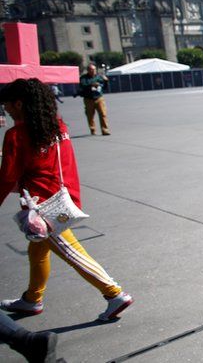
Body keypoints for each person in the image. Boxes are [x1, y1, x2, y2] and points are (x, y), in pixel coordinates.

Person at [0, 79, 132, 322]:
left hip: (41, 209)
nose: (5, 109)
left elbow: (7, 177)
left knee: (72, 252)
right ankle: (32, 299)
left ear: (18, 103)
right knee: (37, 250)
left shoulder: (17, 135)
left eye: (6, 104)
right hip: (63, 198)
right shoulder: (57, 127)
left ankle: (114, 293)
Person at [78, 64, 110, 135]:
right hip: (89, 99)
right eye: (91, 70)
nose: (93, 71)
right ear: (88, 70)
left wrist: (106, 81)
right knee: (90, 115)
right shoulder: (83, 78)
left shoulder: (99, 77)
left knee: (103, 114)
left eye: (94, 69)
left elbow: (104, 87)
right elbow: (83, 86)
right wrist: (92, 84)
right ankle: (92, 129)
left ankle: (105, 130)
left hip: (99, 98)